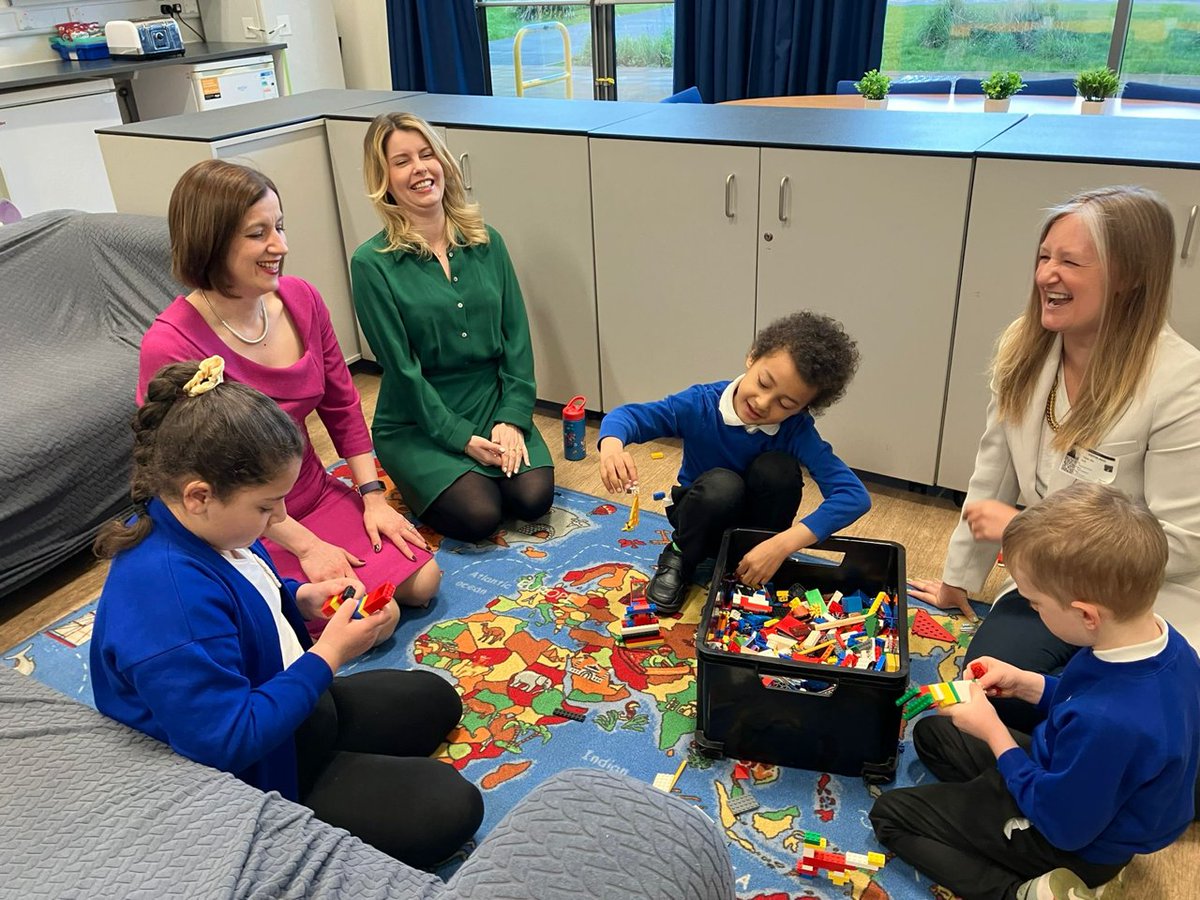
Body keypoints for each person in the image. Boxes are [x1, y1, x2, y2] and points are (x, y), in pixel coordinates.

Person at [92, 358, 484, 868]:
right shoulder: (168, 600)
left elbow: (247, 598)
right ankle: (313, 790)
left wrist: (298, 598)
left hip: (279, 706)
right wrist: (328, 654)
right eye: (266, 507)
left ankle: (328, 742)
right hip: (248, 771)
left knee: (434, 698)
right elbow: (227, 742)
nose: (280, 520)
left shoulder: (206, 527)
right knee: (449, 806)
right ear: (199, 496)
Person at [909, 185, 1200, 726]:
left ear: (1130, 276)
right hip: (1049, 590)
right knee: (993, 689)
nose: (1047, 275)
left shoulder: (1182, 383)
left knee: (1145, 736)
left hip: (1150, 601)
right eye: (1044, 257)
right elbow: (992, 468)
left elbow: (1181, 543)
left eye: (1070, 262)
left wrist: (1026, 533)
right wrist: (959, 578)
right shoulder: (1026, 342)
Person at [139, 159, 440, 638]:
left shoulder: (302, 299)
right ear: (211, 242)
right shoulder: (173, 343)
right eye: (258, 234)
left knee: (423, 582)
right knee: (375, 622)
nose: (280, 246)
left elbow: (342, 405)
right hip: (238, 525)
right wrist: (304, 545)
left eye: (279, 227)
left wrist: (373, 497)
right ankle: (266, 615)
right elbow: (178, 475)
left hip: (310, 491)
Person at [871, 483, 1200, 900]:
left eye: (1036, 604)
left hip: (1073, 840)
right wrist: (1029, 684)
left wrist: (995, 734)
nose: (1032, 611)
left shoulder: (1109, 723)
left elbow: (1064, 823)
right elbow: (1084, 698)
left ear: (1085, 614)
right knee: (934, 735)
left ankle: (1018, 892)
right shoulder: (1164, 645)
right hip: (1083, 784)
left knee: (892, 816)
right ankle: (998, 798)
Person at [350, 113, 554, 544]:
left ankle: (488, 462)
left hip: (490, 399)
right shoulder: (371, 264)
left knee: (533, 498)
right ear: (384, 180)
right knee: (479, 516)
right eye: (402, 161)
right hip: (418, 417)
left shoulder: (487, 241)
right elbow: (402, 371)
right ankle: (426, 475)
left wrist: (512, 418)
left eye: (427, 155)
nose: (420, 168)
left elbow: (517, 339)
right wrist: (461, 439)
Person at [597, 311, 870, 613]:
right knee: (723, 485)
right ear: (752, 358)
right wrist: (611, 446)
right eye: (764, 383)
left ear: (803, 408)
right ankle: (679, 556)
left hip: (757, 536)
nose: (763, 403)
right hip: (701, 521)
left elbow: (853, 496)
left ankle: (756, 559)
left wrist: (781, 545)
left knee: (778, 469)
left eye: (786, 403)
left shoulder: (796, 429)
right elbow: (629, 416)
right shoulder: (699, 404)